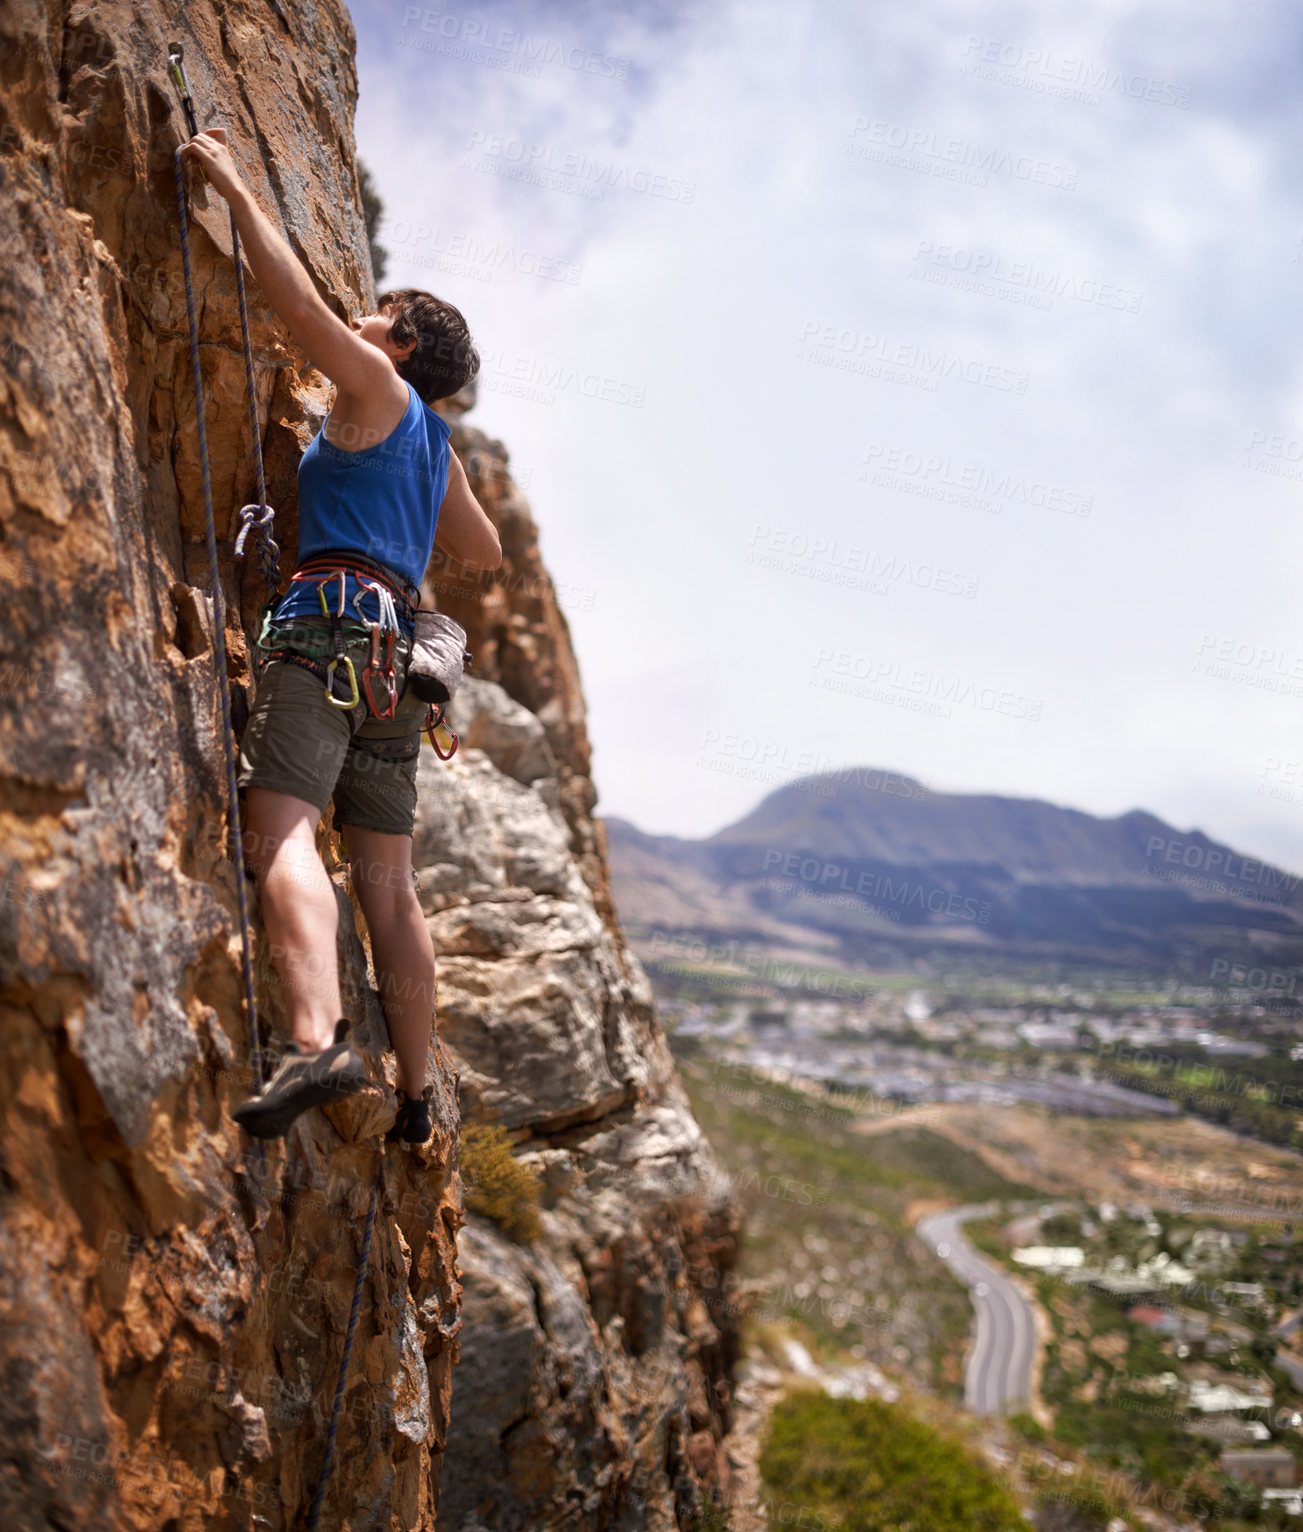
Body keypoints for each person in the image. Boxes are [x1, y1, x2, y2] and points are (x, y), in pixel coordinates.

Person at [178, 128, 502, 1144]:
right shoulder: (434, 440)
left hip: (326, 629)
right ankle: (414, 1093)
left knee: (281, 828)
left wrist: (232, 179)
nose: (364, 319)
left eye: (382, 316)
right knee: (389, 882)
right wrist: (421, 492)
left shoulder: (374, 387)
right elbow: (483, 548)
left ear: (397, 345)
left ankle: (318, 1037)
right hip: (400, 665)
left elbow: (299, 309)